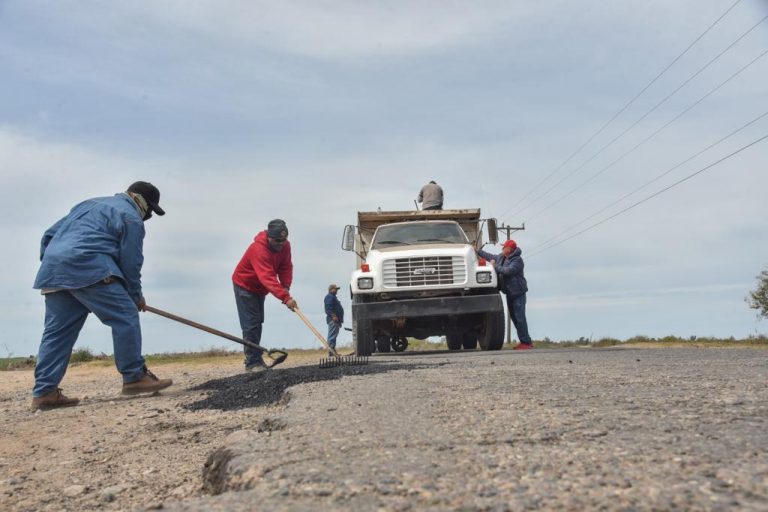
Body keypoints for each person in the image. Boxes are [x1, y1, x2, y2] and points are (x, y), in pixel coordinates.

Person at [31, 181, 173, 410]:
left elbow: (49, 236)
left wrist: (55, 264)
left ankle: (44, 393)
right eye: (151, 211)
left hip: (54, 271)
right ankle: (134, 377)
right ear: (143, 202)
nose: (148, 216)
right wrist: (135, 296)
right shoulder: (131, 217)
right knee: (125, 315)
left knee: (57, 333)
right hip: (88, 266)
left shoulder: (87, 204)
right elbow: (131, 263)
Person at [232, 219, 297, 372]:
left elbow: (286, 267)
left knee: (258, 321)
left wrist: (286, 287)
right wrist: (285, 298)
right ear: (269, 237)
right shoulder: (258, 249)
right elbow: (267, 277)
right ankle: (252, 363)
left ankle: (257, 359)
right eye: (277, 240)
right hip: (245, 286)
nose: (280, 244)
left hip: (260, 289)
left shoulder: (285, 246)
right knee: (251, 323)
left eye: (283, 240)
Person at [476, 239, 532, 350]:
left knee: (520, 318)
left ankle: (526, 342)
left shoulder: (517, 260)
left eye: (504, 247)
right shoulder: (502, 257)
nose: (502, 248)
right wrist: (477, 251)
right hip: (510, 293)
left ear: (509, 249)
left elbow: (508, 271)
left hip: (518, 294)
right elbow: (489, 256)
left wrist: (494, 267)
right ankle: (525, 341)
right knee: (515, 319)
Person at [324, 284, 344, 356]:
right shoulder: (329, 297)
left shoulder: (333, 297)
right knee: (332, 335)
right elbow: (328, 308)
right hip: (333, 320)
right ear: (331, 289)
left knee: (333, 335)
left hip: (336, 320)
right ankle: (331, 351)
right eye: (335, 289)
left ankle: (332, 351)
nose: (336, 291)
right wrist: (334, 316)